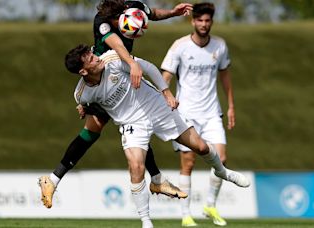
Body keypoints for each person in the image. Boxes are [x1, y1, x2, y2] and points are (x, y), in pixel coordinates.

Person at [64, 44, 250, 228]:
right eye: (90, 59)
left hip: (157, 106)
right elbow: (87, 104)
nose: (96, 57)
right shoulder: (81, 94)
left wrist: (167, 93)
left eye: (92, 54)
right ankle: (146, 221)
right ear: (83, 71)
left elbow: (150, 69)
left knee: (200, 147)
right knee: (136, 166)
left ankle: (222, 171)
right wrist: (84, 109)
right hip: (132, 124)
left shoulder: (113, 59)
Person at [38, 0, 193, 209]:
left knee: (122, 125)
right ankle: (157, 180)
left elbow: (153, 13)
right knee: (123, 124)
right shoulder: (102, 20)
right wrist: (132, 63)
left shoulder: (133, 7)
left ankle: (53, 179)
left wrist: (173, 13)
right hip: (105, 72)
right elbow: (116, 44)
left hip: (119, 74)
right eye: (118, 21)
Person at [161, 2, 237, 226]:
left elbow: (225, 76)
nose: (204, 24)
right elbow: (165, 77)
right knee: (188, 163)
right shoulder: (180, 46)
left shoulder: (220, 46)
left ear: (211, 22)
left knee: (221, 160)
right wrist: (162, 100)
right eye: (200, 20)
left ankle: (210, 206)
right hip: (186, 115)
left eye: (207, 21)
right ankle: (185, 215)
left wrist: (231, 105)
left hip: (212, 113)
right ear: (193, 21)